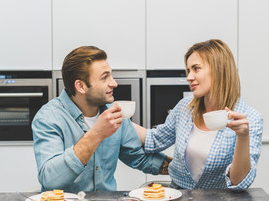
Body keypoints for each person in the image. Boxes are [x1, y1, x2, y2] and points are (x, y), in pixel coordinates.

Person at [32, 46, 168, 193]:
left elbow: (140, 158)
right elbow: (50, 179)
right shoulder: (49, 118)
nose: (114, 83)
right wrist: (96, 134)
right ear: (81, 86)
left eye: (111, 75)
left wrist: (184, 167)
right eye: (105, 77)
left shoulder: (113, 111)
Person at [133, 39, 263, 191]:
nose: (189, 77)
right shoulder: (184, 108)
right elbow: (154, 139)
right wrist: (116, 117)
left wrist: (243, 136)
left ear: (218, 70)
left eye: (196, 69)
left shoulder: (250, 118)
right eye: (188, 70)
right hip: (178, 196)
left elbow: (238, 182)